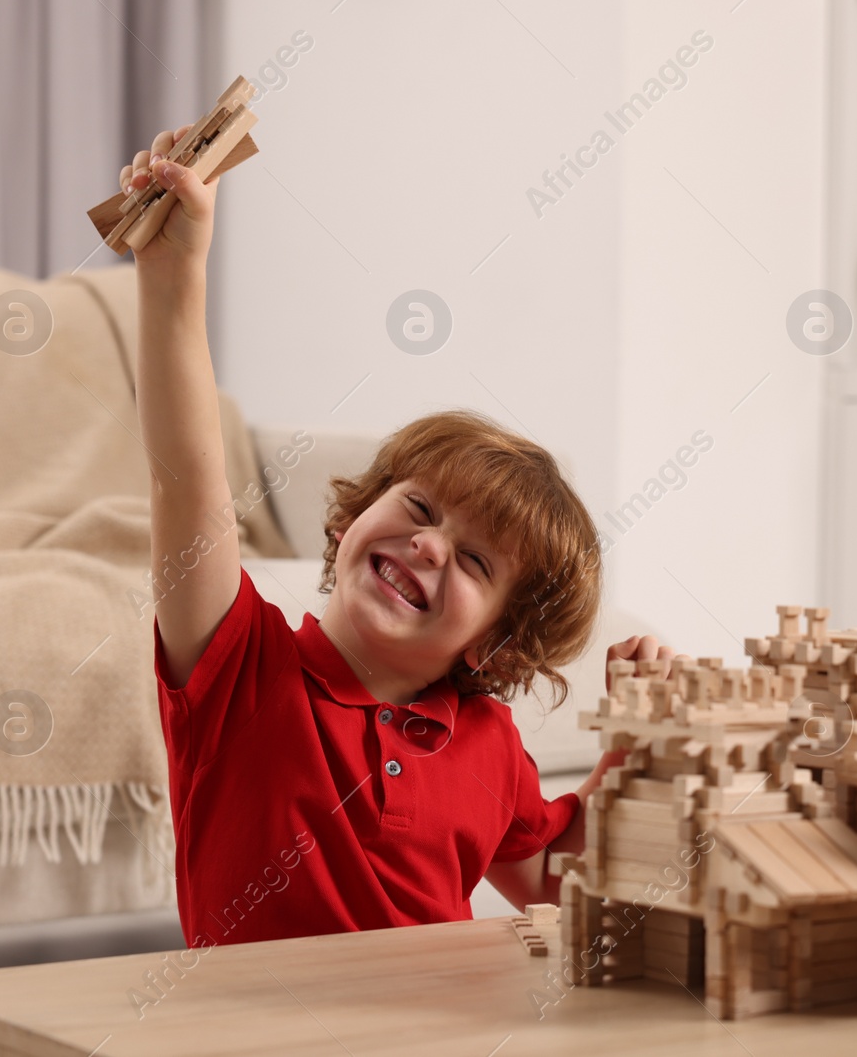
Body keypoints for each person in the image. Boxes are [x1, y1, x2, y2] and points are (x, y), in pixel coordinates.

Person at [122, 126, 673, 948]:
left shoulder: (488, 745)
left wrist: (638, 746)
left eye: (476, 560)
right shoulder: (237, 664)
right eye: (419, 510)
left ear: (494, 645)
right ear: (348, 521)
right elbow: (187, 472)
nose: (429, 546)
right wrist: (174, 274)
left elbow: (559, 884)